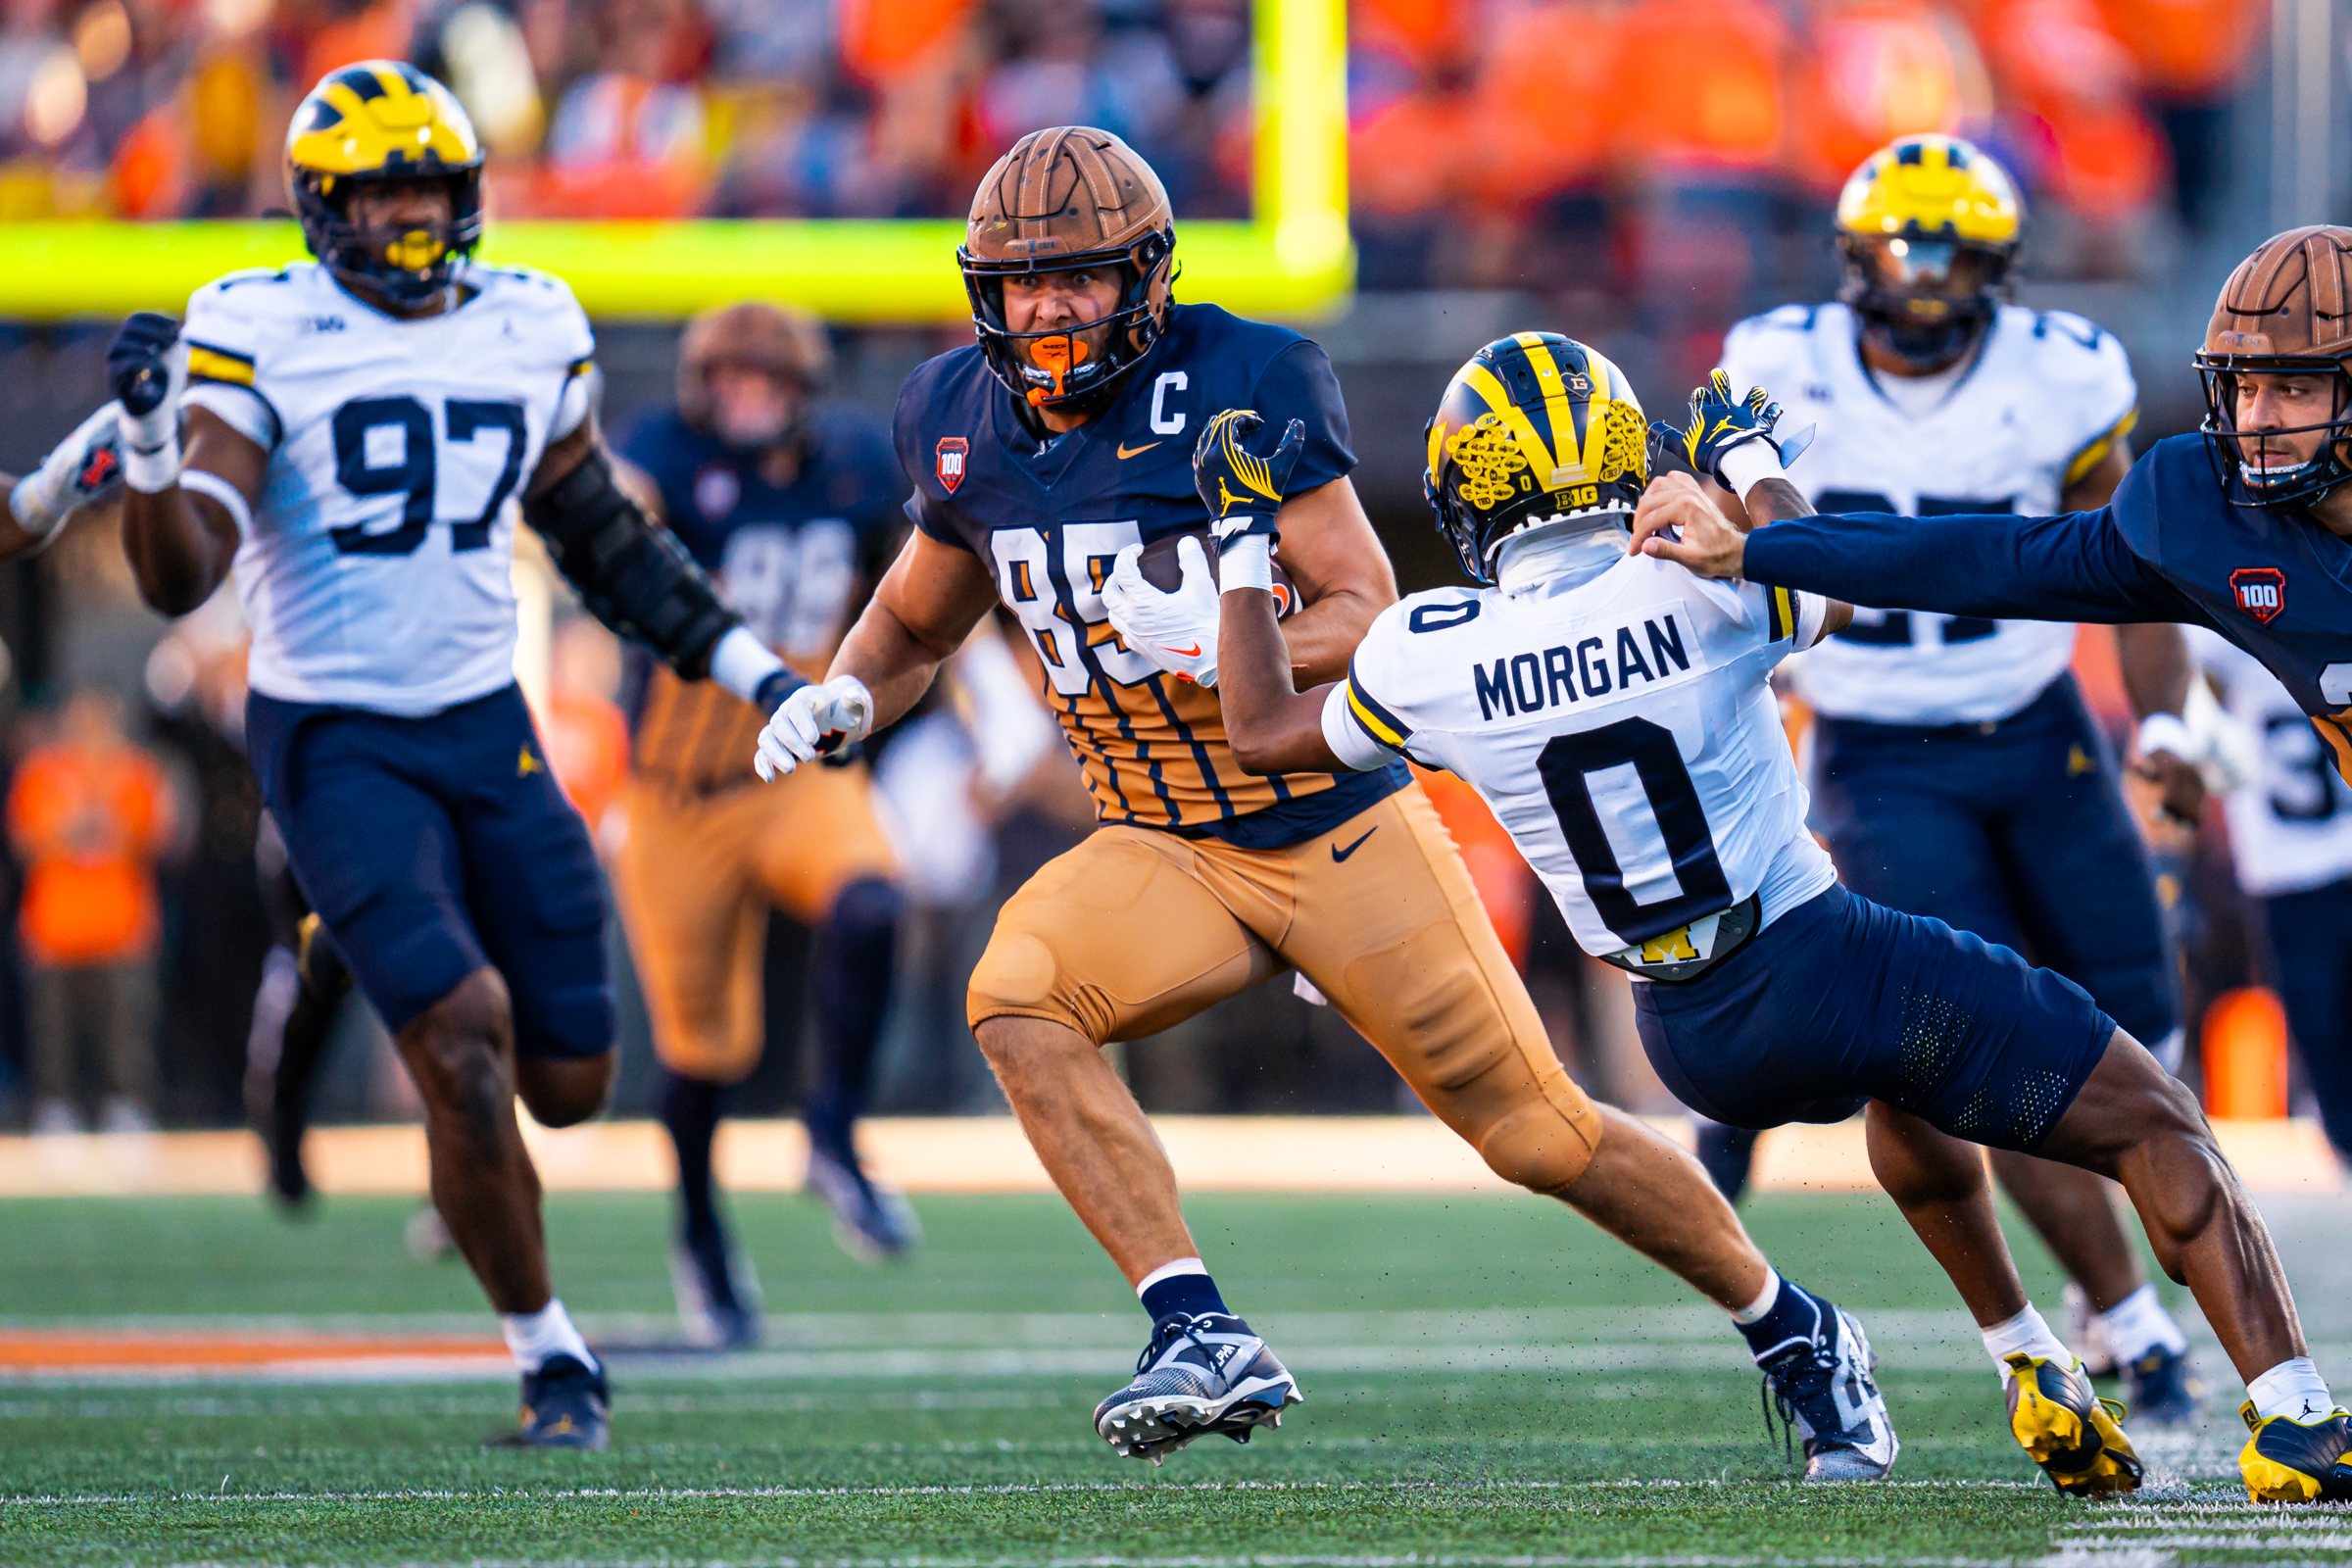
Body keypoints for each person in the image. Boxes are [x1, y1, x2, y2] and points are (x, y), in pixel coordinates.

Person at [756, 125, 1899, 1480]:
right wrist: (841, 693)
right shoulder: (956, 419)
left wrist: (1219, 632)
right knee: (1016, 999)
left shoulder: (1244, 379)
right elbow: (916, 612)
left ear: (1148, 279)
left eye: (1081, 280)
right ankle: (1196, 1323)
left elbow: (1369, 610)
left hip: (1326, 822)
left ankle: (1794, 1330)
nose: (1050, 310)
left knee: (1540, 1133)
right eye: (1024, 284)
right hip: (1161, 838)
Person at [1211, 329, 2340, 1504]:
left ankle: (2028, 1355)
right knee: (2156, 1119)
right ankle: (2295, 1416)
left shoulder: (1423, 650)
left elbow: (1261, 730)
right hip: (1816, 955)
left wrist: (1245, 546)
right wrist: (1748, 459)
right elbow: (1832, 584)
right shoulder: (1694, 579)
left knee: (1917, 1081)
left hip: (1687, 1037)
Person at [103, 61, 809, 1449]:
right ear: (324, 209)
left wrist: (751, 669)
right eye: (381, 193)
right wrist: (142, 441)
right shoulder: (263, 328)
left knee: (572, 1078)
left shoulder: (529, 321)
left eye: (432, 186)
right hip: (336, 736)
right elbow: (184, 573)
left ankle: (340, 949)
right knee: (464, 1039)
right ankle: (555, 1361)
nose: (414, 217)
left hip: (491, 724)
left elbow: (606, 538)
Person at [1632, 226, 2352, 1494]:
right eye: (2244, 384)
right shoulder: (2206, 508)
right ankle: (2214, 1382)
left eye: (2298, 385)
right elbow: (1997, 560)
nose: (2262, 417)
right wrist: (1766, 545)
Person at [1703, 134, 2199, 1422]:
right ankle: (2134, 1324)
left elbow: (2136, 560)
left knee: (2147, 1035)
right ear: (1854, 260)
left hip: (2038, 731)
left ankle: (2132, 1299)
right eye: (1899, 250)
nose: (1922, 279)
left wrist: (2166, 727)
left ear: (1998, 267)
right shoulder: (1771, 366)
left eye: (1949, 253)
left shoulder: (2066, 377)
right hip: (1878, 751)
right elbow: (1754, 554)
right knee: (1985, 1044)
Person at [612, 299, 913, 1348]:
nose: (747, 398)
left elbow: (912, 581)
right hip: (677, 792)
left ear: (801, 393)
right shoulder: (663, 454)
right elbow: (619, 508)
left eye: (767, 380)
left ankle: (831, 1134)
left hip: (796, 774)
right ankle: (699, 1231)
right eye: (730, 379)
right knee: (698, 1057)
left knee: (874, 904)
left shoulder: (854, 468)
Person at [2184, 624, 2352, 1169]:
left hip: (2301, 861)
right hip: (2287, 868)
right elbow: (2193, 699)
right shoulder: (2227, 620)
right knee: (2323, 1036)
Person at [8, 687, 176, 1136]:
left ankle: (127, 1106)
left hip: (122, 925)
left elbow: (156, 837)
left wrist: (102, 823)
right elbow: (24, 839)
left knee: (127, 1030)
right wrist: (73, 828)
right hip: (55, 925)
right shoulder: (43, 772)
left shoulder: (134, 771)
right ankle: (55, 1108)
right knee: (53, 1032)